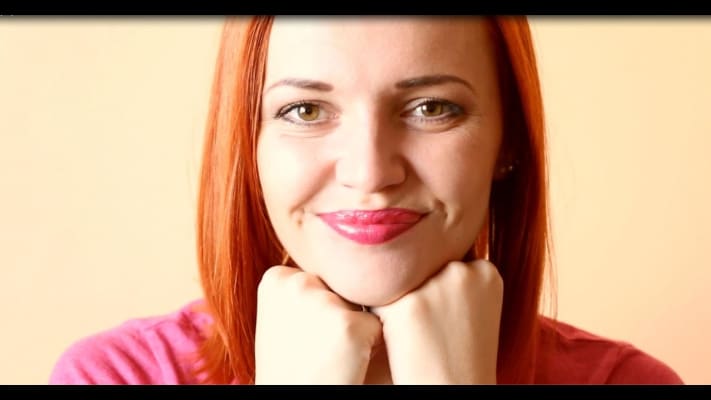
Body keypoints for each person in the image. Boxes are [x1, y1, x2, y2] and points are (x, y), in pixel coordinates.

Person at [49, 16, 683, 385]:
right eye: (305, 109)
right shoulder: (117, 376)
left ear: (507, 141)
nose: (370, 172)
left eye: (431, 107)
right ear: (250, 142)